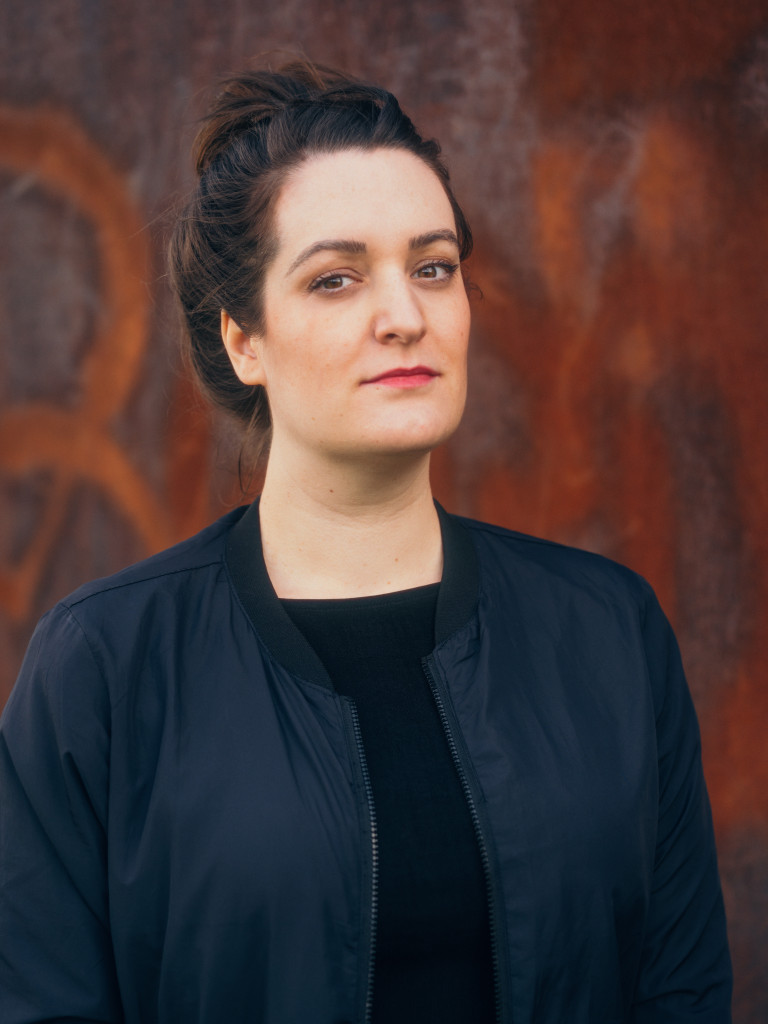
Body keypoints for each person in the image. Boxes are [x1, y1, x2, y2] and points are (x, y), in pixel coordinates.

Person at [0, 60, 732, 1024]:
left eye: (433, 267)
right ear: (244, 340)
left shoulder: (607, 631)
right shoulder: (106, 664)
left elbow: (680, 991)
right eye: (336, 279)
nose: (405, 317)